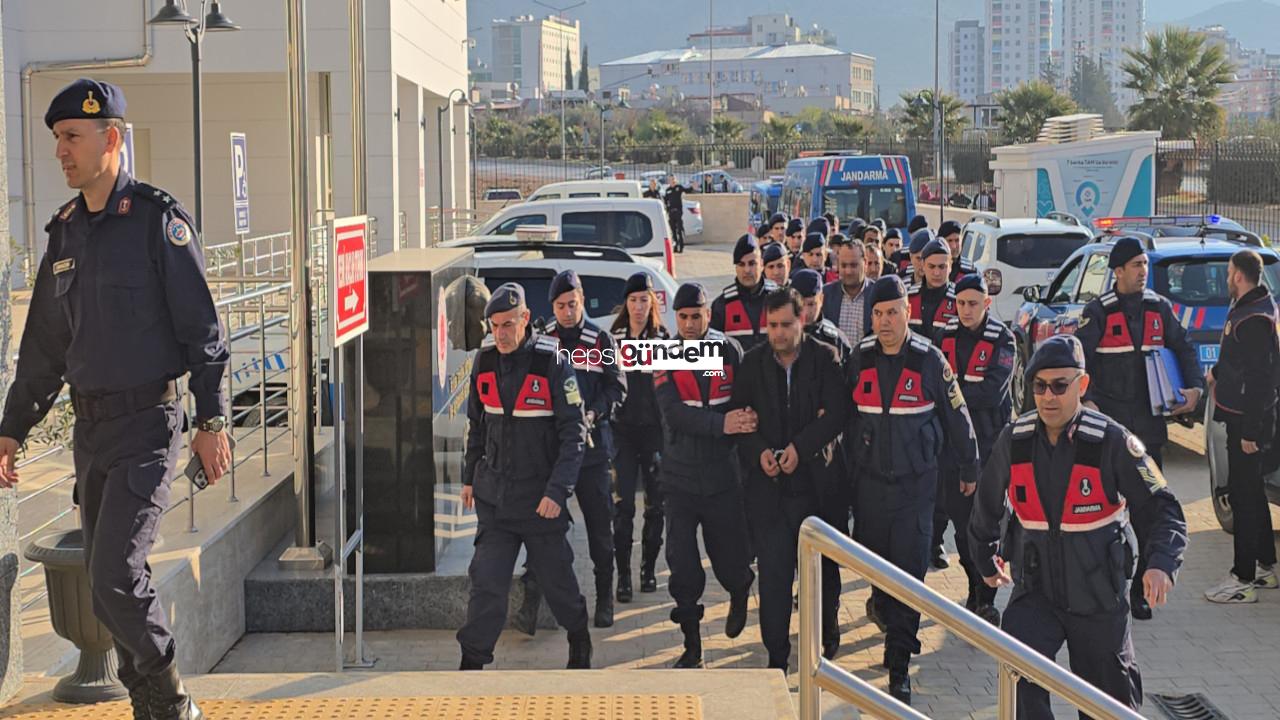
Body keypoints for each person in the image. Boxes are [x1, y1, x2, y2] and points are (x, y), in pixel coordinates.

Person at [0, 79, 228, 720]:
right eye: (56, 140)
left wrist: (211, 419)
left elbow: (203, 329)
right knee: (106, 596)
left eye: (71, 137)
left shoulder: (158, 222)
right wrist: (12, 426)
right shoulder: (65, 236)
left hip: (149, 427)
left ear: (112, 139)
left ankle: (173, 702)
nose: (60, 152)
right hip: (92, 436)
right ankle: (151, 706)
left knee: (114, 577)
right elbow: (44, 345)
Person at [969, 335, 1188, 719]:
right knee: (1018, 672)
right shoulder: (1014, 441)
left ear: (1082, 385)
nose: (1048, 396)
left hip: (1099, 598)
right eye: (1040, 386)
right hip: (1036, 595)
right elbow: (986, 507)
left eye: (1059, 386)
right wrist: (985, 560)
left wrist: (1161, 564)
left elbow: (1165, 508)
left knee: (1110, 706)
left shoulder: (1111, 440)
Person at [846, 275, 980, 704]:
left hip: (916, 488)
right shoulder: (860, 358)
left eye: (893, 313)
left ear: (907, 312)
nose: (885, 322)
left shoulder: (929, 360)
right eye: (878, 314)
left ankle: (900, 662)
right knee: (877, 570)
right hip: (869, 488)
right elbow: (843, 419)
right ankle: (884, 611)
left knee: (909, 572)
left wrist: (969, 466)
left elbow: (958, 417)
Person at [458, 283, 593, 671]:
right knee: (487, 584)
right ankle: (472, 662)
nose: (501, 334)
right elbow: (477, 426)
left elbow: (574, 436)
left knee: (559, 585)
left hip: (541, 503)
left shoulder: (552, 364)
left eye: (508, 324)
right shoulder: (483, 363)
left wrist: (557, 492)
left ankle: (579, 639)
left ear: (526, 320)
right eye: (494, 325)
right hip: (495, 501)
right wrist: (469, 477)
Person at [1074, 236, 1202, 620]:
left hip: (1148, 431)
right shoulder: (1097, 312)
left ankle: (1142, 589)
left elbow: (1185, 347)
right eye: (1136, 266)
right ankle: (1102, 581)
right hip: (1108, 432)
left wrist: (1194, 386)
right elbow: (1079, 360)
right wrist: (1088, 399)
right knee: (1103, 510)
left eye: (1145, 265)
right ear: (1117, 272)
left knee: (1149, 509)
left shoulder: (1159, 308)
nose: (1143, 272)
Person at [732, 287, 848, 671]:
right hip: (770, 493)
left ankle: (825, 642)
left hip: (816, 490)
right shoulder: (751, 364)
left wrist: (801, 447)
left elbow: (835, 417)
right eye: (772, 325)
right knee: (775, 578)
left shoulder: (826, 359)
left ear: (802, 321)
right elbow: (742, 421)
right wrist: (759, 451)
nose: (778, 333)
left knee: (821, 576)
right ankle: (777, 657)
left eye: (786, 325)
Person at [654, 283, 756, 668]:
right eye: (683, 317)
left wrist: (742, 422)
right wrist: (722, 424)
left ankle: (740, 588)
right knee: (682, 563)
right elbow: (674, 414)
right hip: (679, 478)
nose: (690, 324)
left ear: (708, 315)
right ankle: (692, 645)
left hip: (722, 477)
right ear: (675, 319)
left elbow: (744, 399)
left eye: (697, 316)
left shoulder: (728, 351)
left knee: (729, 558)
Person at [520, 271, 627, 630]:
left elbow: (617, 388)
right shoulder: (544, 338)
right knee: (543, 527)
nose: (567, 311)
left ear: (582, 300)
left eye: (573, 304)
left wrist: (595, 411)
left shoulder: (600, 339)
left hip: (593, 452)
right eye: (560, 306)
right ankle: (530, 604)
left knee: (600, 528)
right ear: (552, 307)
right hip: (554, 454)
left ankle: (605, 598)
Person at [936, 273, 1015, 624]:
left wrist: (952, 398)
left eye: (973, 304)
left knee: (990, 525)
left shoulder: (1004, 340)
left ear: (986, 303)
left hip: (992, 445)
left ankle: (988, 598)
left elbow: (993, 392)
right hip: (955, 449)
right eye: (960, 304)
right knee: (963, 525)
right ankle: (974, 587)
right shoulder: (944, 338)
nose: (965, 310)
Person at [1205, 249, 1280, 603]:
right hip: (1240, 417)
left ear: (1238, 275)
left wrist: (1251, 431)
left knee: (1244, 497)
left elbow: (1263, 380)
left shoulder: (1254, 318)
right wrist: (1218, 373)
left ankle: (1242, 579)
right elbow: (1238, 361)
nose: (1226, 278)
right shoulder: (1249, 307)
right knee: (1251, 493)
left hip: (1248, 424)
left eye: (1228, 271)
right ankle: (1266, 566)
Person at [610, 272, 669, 602]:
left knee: (655, 506)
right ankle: (623, 578)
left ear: (652, 302)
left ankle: (648, 570)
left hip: (654, 434)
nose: (638, 306)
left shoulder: (663, 339)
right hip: (622, 434)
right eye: (633, 300)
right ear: (626, 303)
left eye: (644, 299)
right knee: (623, 508)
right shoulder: (614, 339)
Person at [711, 234, 777, 353]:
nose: (747, 270)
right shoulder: (722, 306)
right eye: (741, 264)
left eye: (752, 263)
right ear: (736, 268)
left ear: (762, 264)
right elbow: (711, 357)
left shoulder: (779, 298)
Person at [794, 270, 853, 363]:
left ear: (821, 299)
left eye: (811, 304)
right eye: (800, 305)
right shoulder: (781, 335)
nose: (806, 312)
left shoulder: (835, 339)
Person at [823, 242, 872, 347]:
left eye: (854, 265)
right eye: (844, 265)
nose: (848, 271)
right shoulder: (826, 295)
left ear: (866, 263)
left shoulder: (877, 293)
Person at [664, 174, 693, 253]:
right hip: (671, 212)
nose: (672, 181)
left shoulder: (679, 187)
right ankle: (676, 246)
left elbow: (687, 191)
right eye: (670, 180)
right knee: (673, 230)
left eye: (673, 179)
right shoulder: (668, 190)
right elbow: (665, 200)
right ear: (668, 181)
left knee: (679, 229)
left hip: (678, 211)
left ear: (675, 180)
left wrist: (692, 187)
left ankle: (681, 246)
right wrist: (666, 208)